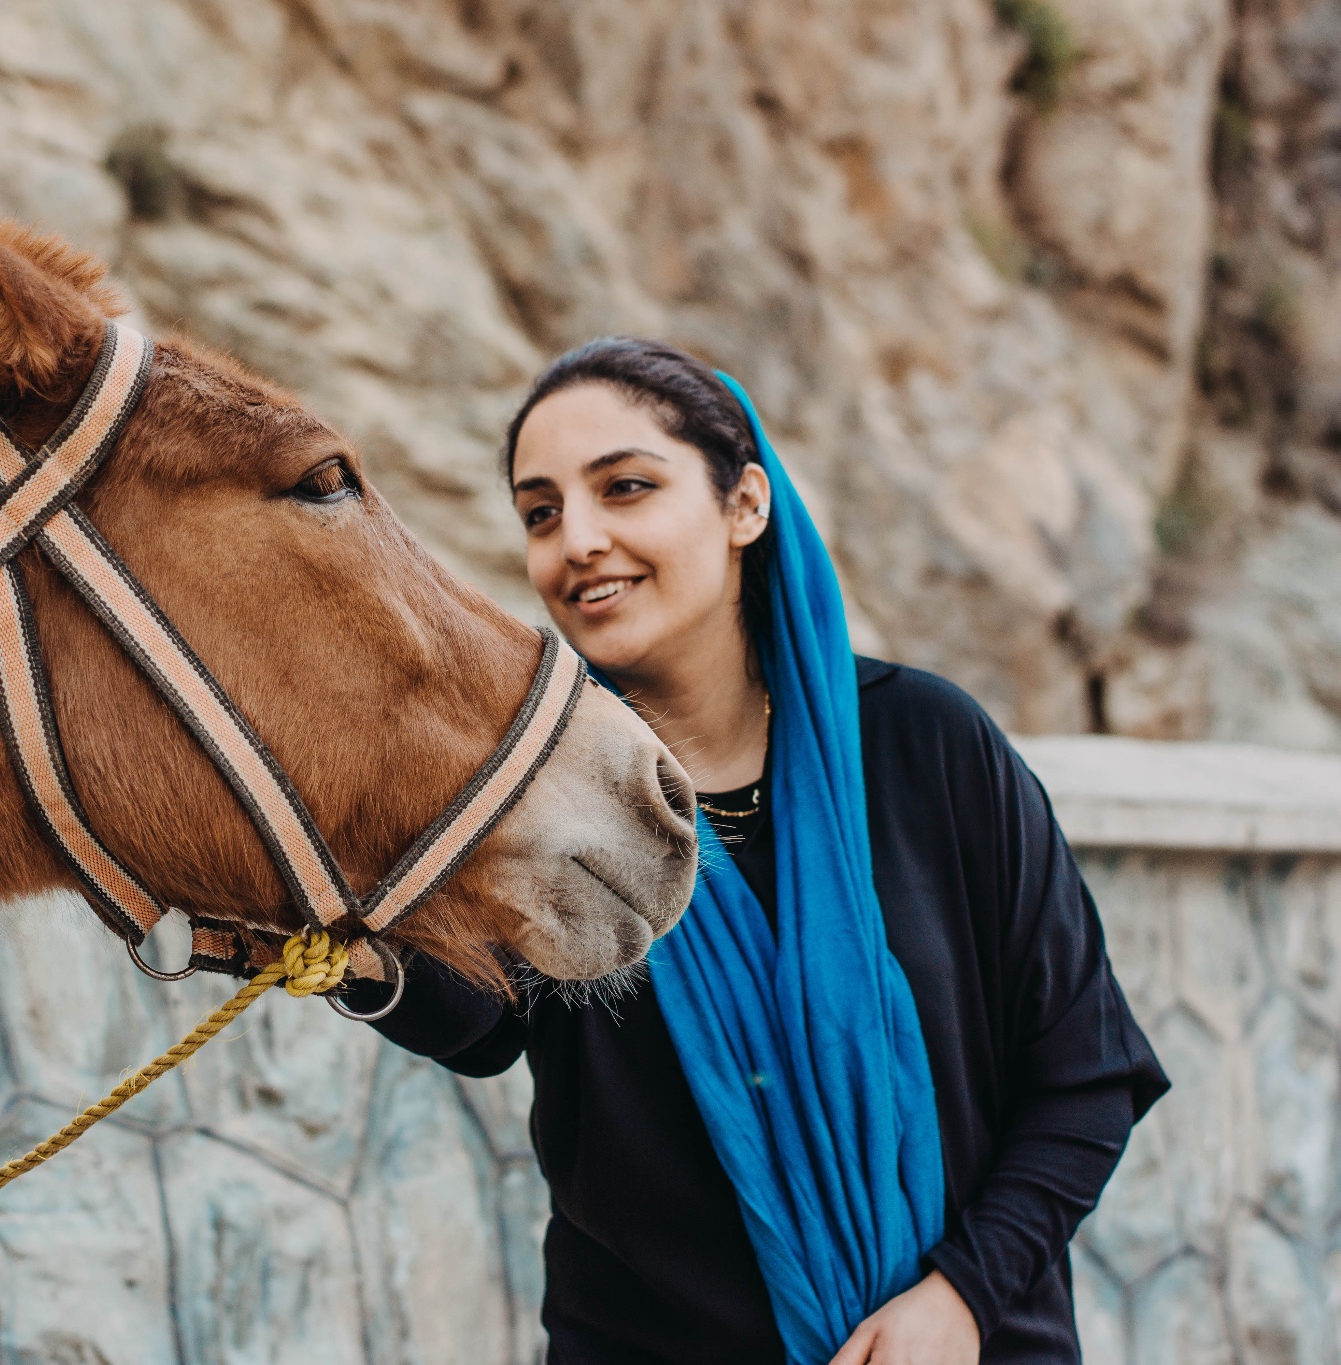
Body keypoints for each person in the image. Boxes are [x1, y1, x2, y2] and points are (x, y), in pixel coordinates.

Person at [344, 338, 1168, 1365]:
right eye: (540, 512)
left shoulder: (925, 747)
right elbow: (478, 1022)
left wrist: (960, 1299)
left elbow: (1085, 1075)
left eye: (625, 488)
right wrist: (338, 937)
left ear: (744, 505)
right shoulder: (534, 788)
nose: (579, 541)